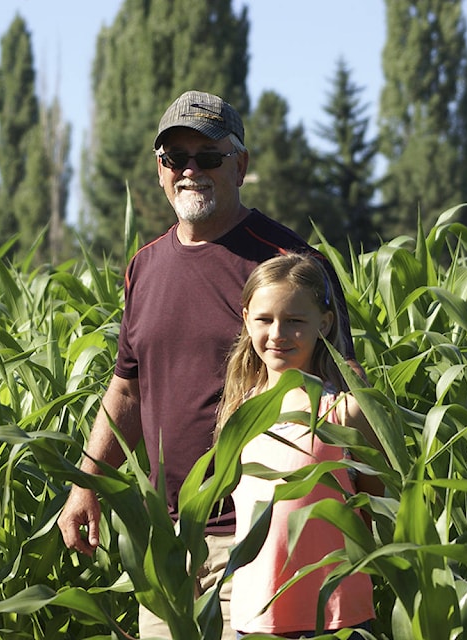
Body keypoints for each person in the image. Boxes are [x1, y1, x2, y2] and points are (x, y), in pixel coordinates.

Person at [56, 90, 363, 639]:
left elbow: (349, 394)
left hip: (257, 534)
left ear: (240, 165)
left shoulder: (288, 265)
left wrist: (366, 513)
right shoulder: (144, 267)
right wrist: (86, 485)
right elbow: (127, 391)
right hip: (167, 545)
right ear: (159, 170)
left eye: (209, 157)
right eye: (176, 158)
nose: (190, 170)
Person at [214, 253, 382, 638]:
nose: (277, 334)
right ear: (245, 320)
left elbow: (379, 505)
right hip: (255, 617)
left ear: (323, 324)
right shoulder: (240, 411)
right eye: (264, 320)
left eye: (294, 321)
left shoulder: (344, 410)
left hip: (335, 617)